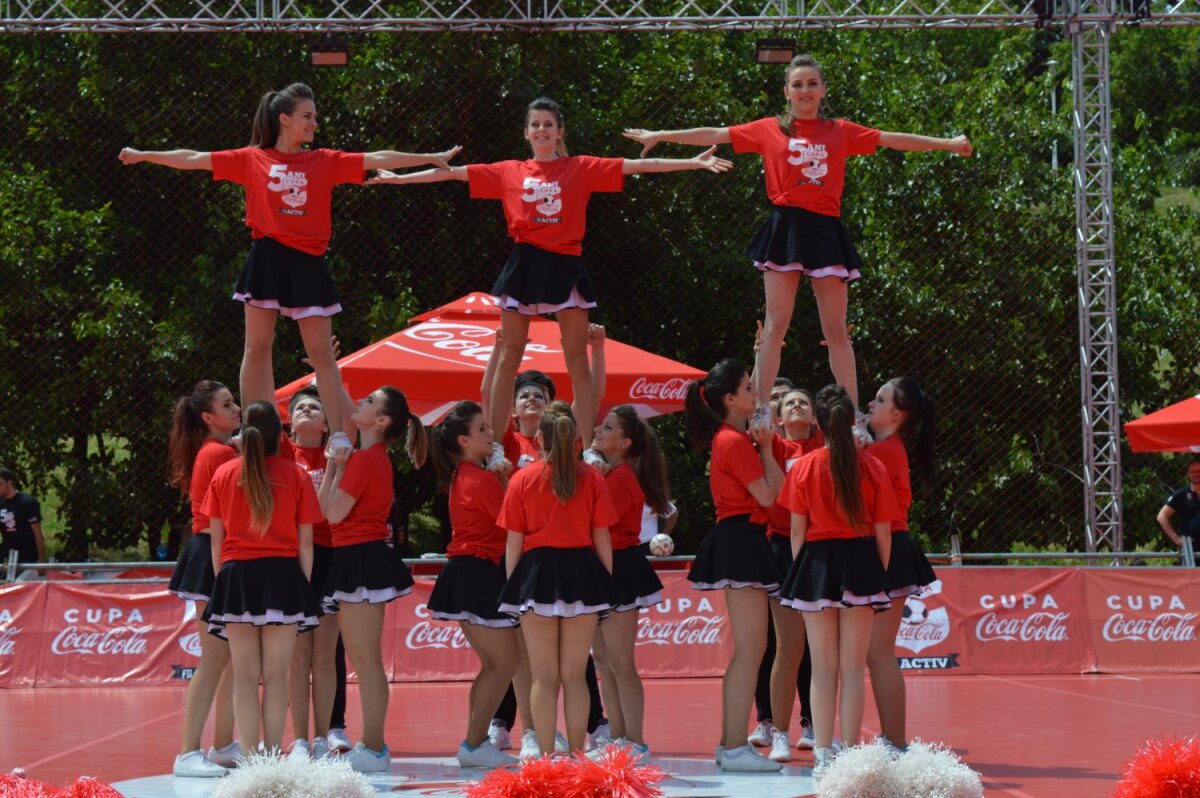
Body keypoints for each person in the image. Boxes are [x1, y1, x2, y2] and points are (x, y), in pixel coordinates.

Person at [367, 96, 731, 449]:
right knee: (509, 355)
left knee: (577, 360)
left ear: (559, 132)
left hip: (566, 264)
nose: (541, 129)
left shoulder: (580, 167)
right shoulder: (509, 170)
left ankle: (589, 445)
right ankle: (494, 445)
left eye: (548, 125)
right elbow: (452, 174)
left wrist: (692, 162)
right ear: (526, 133)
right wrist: (399, 180)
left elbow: (635, 166)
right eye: (535, 124)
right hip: (524, 265)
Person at [624, 55, 973, 414]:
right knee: (775, 326)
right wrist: (660, 135)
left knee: (836, 330)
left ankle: (850, 415)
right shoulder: (768, 128)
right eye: (797, 84)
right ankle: (758, 411)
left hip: (825, 229)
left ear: (823, 90)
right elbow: (715, 134)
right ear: (786, 92)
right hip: (786, 227)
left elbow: (892, 140)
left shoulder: (841, 130)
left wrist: (947, 143)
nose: (805, 90)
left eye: (811, 84)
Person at [118, 82, 459, 413]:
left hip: (308, 261)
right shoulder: (252, 158)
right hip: (266, 257)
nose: (314, 123)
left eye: (314, 116)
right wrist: (144, 155)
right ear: (284, 119)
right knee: (257, 347)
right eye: (307, 116)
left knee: (322, 354)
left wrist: (429, 156)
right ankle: (256, 425)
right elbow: (194, 157)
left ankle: (339, 437)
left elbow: (376, 157)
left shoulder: (324, 160)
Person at [777, 384, 898, 782]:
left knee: (823, 667)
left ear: (819, 423)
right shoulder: (873, 467)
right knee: (851, 666)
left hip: (817, 564)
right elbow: (884, 531)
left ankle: (824, 754)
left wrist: (805, 573)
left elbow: (797, 531)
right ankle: (848, 753)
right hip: (861, 561)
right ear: (851, 422)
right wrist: (878, 573)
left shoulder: (805, 467)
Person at [496, 401, 622, 756]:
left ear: (539, 438)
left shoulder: (522, 479)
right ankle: (578, 755)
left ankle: (547, 758)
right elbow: (602, 539)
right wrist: (604, 589)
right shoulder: (592, 477)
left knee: (543, 677)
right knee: (576, 674)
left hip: (535, 578)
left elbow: (514, 544)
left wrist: (514, 593)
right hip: (582, 575)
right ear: (575, 438)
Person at [202, 401, 323, 757]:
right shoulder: (296, 474)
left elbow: (215, 539)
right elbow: (305, 542)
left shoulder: (224, 475)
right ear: (280, 436)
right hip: (283, 576)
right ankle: (272, 755)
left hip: (236, 576)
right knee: (275, 675)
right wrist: (301, 586)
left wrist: (221, 583)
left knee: (243, 675)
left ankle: (252, 758)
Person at [683, 359, 786, 772]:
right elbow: (768, 496)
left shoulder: (731, 438)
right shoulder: (733, 441)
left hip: (744, 538)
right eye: (747, 388)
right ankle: (732, 745)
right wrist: (765, 448)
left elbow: (771, 494)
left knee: (751, 649)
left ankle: (732, 745)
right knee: (750, 651)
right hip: (740, 538)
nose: (755, 393)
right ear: (729, 399)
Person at [318, 386, 427, 772]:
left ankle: (375, 746)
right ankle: (373, 745)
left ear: (381, 420)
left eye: (368, 402)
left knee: (365, 660)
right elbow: (325, 509)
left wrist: (339, 464)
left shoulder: (367, 460)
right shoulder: (366, 457)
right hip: (356, 558)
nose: (359, 404)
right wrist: (336, 462)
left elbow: (330, 513)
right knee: (363, 658)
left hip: (362, 559)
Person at [429, 401, 522, 768]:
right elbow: (515, 520)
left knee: (493, 664)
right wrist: (506, 478)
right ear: (464, 440)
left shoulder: (465, 476)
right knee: (505, 662)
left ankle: (475, 741)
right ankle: (472, 744)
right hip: (477, 573)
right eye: (482, 429)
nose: (491, 433)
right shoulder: (479, 479)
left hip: (469, 573)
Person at [587, 405, 672, 761]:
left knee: (620, 661)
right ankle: (619, 737)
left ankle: (634, 739)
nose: (598, 429)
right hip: (600, 566)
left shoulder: (622, 478)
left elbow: (599, 524)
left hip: (618, 566)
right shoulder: (608, 475)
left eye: (607, 427)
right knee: (604, 659)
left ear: (624, 442)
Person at [164, 381, 240, 777]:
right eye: (227, 405)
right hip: (213, 552)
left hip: (214, 550)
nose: (236, 408)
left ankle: (224, 744)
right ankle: (187, 752)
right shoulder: (220, 453)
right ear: (208, 417)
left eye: (234, 402)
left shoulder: (220, 450)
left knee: (225, 657)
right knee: (214, 658)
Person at [864, 376, 938, 753]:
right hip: (883, 547)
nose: (870, 404)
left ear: (897, 413)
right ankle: (891, 739)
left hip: (889, 548)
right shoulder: (882, 448)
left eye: (879, 400)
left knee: (878, 652)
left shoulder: (884, 451)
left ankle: (895, 740)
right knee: (875, 653)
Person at [750, 386, 823, 761]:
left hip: (822, 551)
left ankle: (814, 724)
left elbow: (848, 392)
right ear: (777, 418)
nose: (796, 404)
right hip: (781, 548)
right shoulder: (773, 445)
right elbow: (758, 397)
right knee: (786, 646)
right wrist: (765, 348)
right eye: (789, 402)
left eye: (804, 401)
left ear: (815, 416)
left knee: (819, 648)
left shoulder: (824, 444)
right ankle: (777, 729)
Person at [279, 387, 348, 760]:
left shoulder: (336, 455)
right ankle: (300, 739)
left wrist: (330, 372)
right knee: (298, 653)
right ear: (290, 421)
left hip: (329, 555)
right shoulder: (284, 452)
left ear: (325, 424)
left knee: (325, 652)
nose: (306, 410)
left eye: (314, 407)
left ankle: (325, 734)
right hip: (292, 556)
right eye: (300, 407)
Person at [0, 468, 45, 573]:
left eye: (0, 484)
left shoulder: (27, 502)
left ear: (9, 483)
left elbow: (37, 533)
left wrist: (41, 559)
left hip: (27, 555)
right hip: (7, 553)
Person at [1157, 460, 1200, 560]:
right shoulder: (1181, 494)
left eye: (1198, 471)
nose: (1196, 474)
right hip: (1191, 548)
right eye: (1193, 472)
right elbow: (1161, 516)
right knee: (1191, 575)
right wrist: (1177, 540)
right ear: (1188, 475)